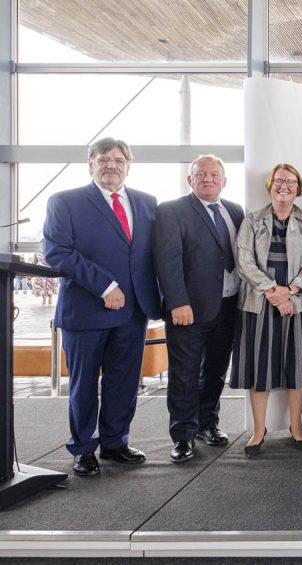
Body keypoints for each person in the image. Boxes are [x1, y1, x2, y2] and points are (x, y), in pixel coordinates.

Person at [42, 137, 160, 476]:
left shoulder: (146, 203)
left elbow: (151, 254)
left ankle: (115, 442)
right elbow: (58, 252)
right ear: (90, 163)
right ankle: (83, 448)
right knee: (84, 384)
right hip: (86, 310)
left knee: (123, 381)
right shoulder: (65, 202)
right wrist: (105, 286)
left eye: (119, 159)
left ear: (128, 166)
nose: (112, 165)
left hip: (133, 311)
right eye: (104, 159)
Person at [154, 154, 245, 463]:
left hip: (229, 306)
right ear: (190, 180)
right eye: (201, 174)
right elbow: (167, 261)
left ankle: (208, 424)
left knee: (216, 371)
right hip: (188, 310)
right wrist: (178, 302)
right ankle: (182, 436)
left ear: (224, 181)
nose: (208, 179)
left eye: (214, 174)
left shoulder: (234, 210)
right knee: (185, 375)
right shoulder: (171, 211)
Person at [230, 163, 302, 458]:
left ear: (299, 188)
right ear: (270, 185)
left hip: (299, 301)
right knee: (259, 368)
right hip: (259, 302)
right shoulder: (252, 220)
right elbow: (244, 261)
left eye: (291, 182)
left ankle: (297, 428)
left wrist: (292, 291)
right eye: (279, 181)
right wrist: (274, 292)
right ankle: (259, 431)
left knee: (297, 366)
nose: (284, 186)